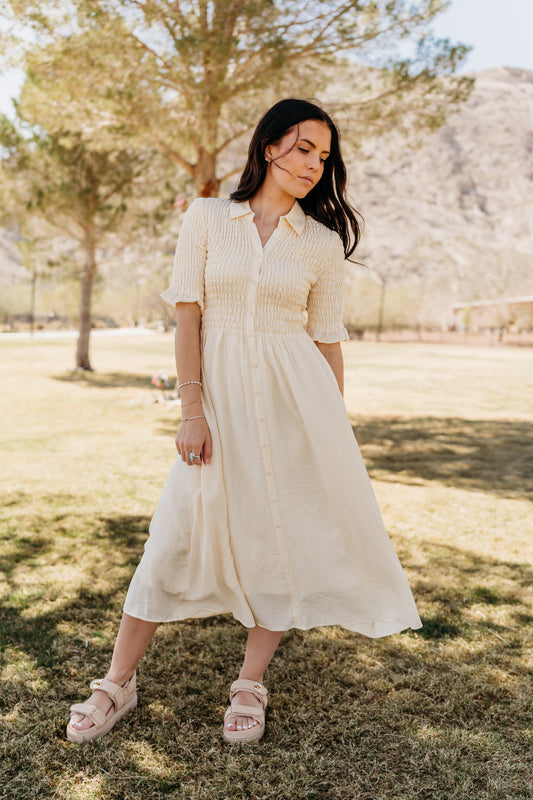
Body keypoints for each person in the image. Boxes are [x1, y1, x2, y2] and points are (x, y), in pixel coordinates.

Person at [66, 98, 422, 746]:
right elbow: (187, 319)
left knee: (278, 543)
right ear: (267, 147)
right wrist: (192, 411)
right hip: (217, 407)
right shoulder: (206, 219)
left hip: (296, 408)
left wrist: (328, 432)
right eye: (303, 147)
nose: (314, 164)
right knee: (170, 538)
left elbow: (326, 343)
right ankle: (117, 681)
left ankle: (249, 682)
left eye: (323, 155)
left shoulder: (319, 245)